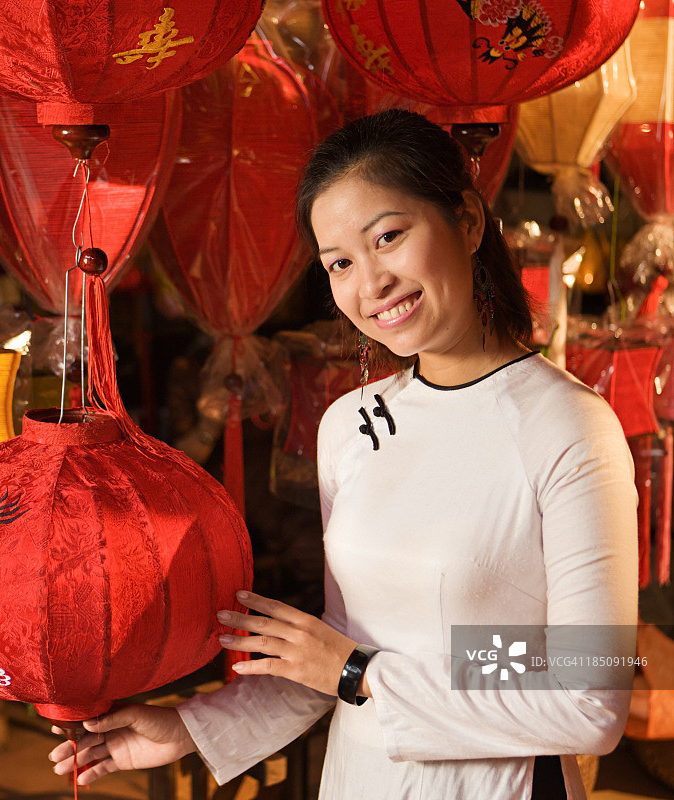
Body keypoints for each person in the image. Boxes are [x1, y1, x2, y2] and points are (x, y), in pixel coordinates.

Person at [49, 110, 638, 799]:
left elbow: (589, 695)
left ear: (469, 222)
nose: (371, 282)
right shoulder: (347, 427)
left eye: (389, 236)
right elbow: (337, 648)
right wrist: (191, 727)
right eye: (340, 263)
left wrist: (365, 673)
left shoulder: (567, 426)